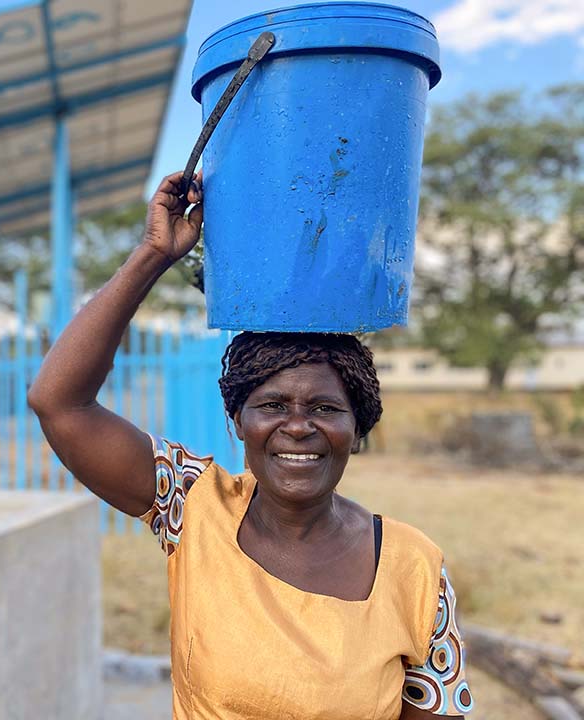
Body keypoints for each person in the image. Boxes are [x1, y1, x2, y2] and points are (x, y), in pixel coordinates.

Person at [27, 171, 474, 719]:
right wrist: (152, 255)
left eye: (326, 409)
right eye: (273, 405)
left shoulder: (414, 566)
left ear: (358, 430)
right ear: (238, 421)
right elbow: (60, 404)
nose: (298, 427)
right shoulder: (192, 507)